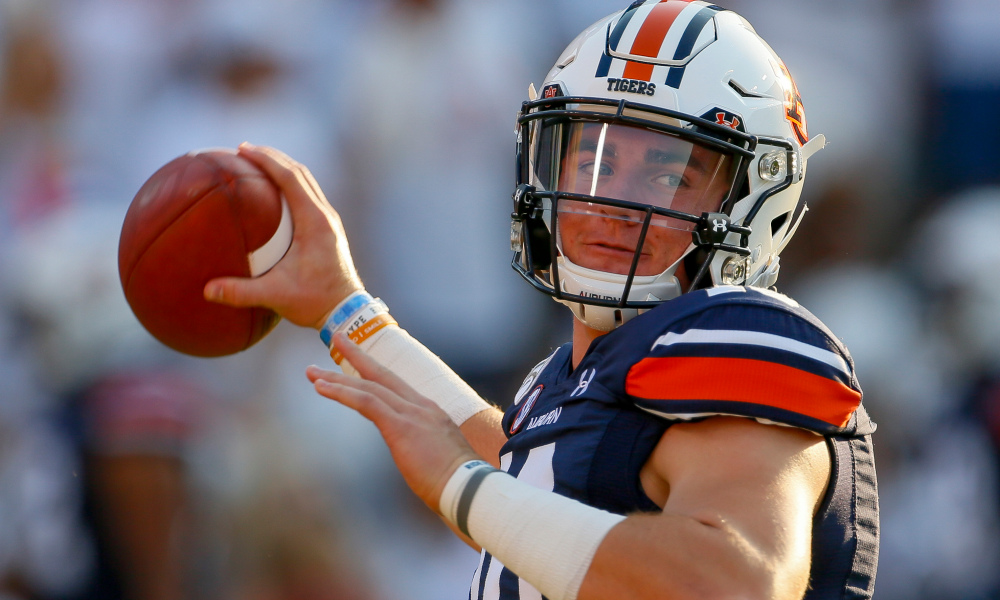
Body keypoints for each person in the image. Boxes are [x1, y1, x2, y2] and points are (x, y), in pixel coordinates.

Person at [203, 2, 879, 599]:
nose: (611, 203)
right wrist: (343, 306)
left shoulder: (744, 340)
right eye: (594, 163)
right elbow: (528, 489)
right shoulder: (581, 374)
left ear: (754, 200)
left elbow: (735, 585)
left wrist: (462, 486)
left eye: (669, 173)